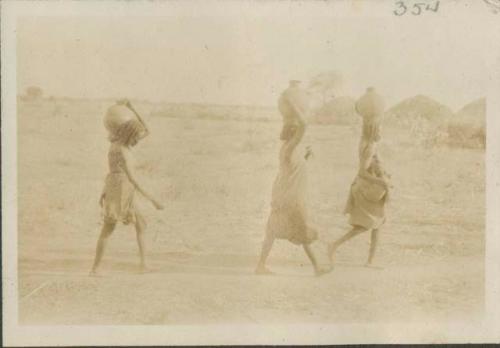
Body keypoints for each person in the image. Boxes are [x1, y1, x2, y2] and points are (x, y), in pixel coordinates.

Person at [256, 85, 329, 276]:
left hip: (285, 196)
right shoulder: (289, 148)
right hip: (292, 198)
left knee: (273, 232)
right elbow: (305, 124)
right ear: (292, 132)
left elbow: (294, 170)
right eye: (297, 131)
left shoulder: (291, 150)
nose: (300, 133)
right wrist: (293, 103)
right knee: (301, 230)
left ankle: (260, 266)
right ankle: (317, 267)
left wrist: (306, 158)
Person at [90, 100, 164, 275]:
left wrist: (133, 109)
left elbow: (147, 130)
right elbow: (134, 180)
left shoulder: (117, 145)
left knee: (141, 224)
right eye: (136, 135)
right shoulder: (123, 151)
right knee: (109, 228)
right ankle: (95, 269)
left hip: (119, 186)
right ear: (129, 134)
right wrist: (154, 200)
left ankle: (143, 265)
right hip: (121, 188)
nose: (139, 137)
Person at [328, 89, 390, 267]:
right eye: (379, 125)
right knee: (365, 226)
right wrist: (382, 181)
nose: (381, 128)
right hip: (366, 187)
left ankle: (371, 261)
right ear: (374, 127)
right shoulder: (369, 145)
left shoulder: (369, 141)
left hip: (370, 186)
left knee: (378, 223)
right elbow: (362, 171)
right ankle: (333, 246)